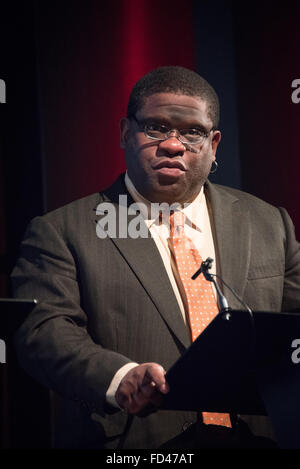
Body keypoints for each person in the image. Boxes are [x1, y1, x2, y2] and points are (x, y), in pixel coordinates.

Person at [11, 66, 300, 449]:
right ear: (125, 133)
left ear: (213, 145)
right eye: (156, 128)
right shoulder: (64, 231)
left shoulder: (268, 222)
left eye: (192, 132)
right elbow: (42, 331)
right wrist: (120, 377)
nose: (173, 145)